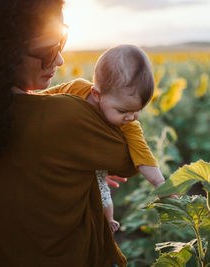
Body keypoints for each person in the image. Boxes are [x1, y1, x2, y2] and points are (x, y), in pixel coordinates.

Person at [0, 0, 137, 266]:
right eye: (47, 50)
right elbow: (131, 159)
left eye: (60, 44)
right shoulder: (65, 117)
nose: (60, 60)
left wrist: (75, 170)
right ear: (3, 51)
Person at [39, 45, 165, 233]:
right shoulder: (77, 89)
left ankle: (107, 222)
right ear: (97, 95)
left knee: (102, 197)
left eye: (137, 110)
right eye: (123, 111)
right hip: (58, 162)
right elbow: (43, 100)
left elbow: (143, 155)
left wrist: (160, 184)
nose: (131, 117)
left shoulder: (129, 124)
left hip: (91, 169)